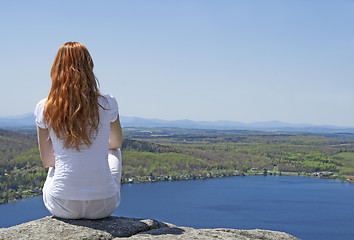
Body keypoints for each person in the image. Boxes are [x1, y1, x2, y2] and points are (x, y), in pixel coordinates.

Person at [34, 42, 122, 219]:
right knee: (114, 151)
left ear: (56, 69)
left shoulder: (45, 107)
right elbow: (116, 143)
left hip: (61, 205)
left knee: (55, 165)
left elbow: (48, 161)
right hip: (104, 205)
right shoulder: (107, 103)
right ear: (90, 67)